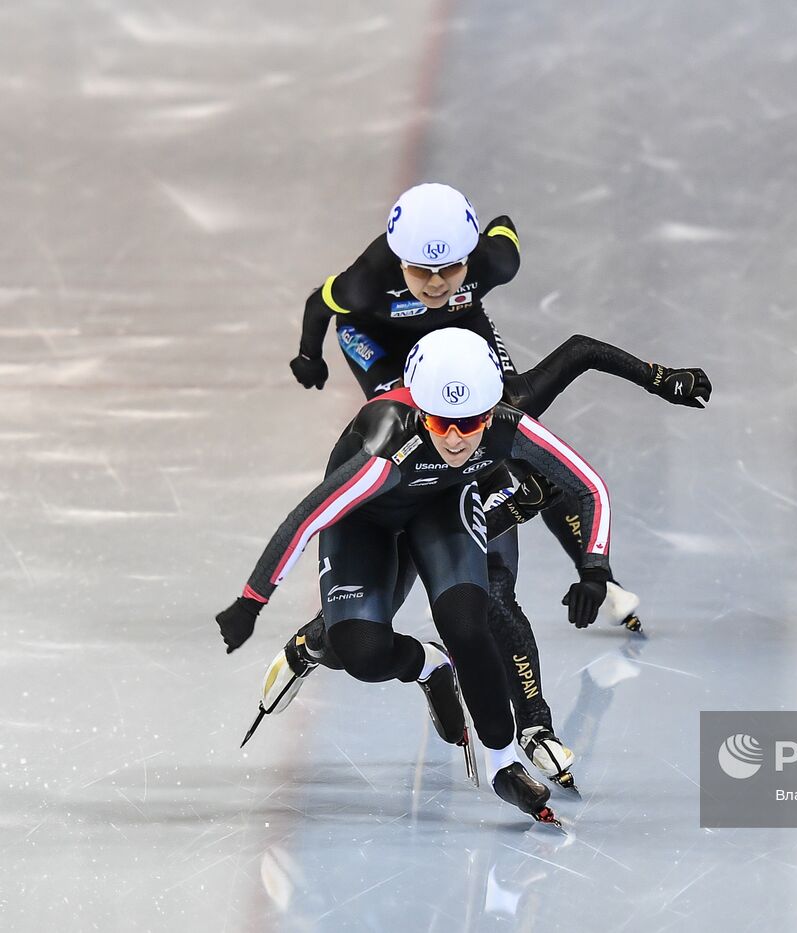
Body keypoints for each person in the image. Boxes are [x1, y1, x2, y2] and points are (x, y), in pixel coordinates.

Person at [278, 182, 712, 784]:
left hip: (467, 350)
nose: (435, 282)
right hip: (384, 350)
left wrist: (594, 568)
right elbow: (319, 307)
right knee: (406, 511)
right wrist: (311, 355)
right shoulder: (366, 285)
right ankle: (338, 631)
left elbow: (575, 362)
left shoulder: (494, 290)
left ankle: (532, 723)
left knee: (501, 570)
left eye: (450, 267)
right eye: (422, 270)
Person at [215, 328, 619, 825]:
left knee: (469, 624)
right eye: (439, 422)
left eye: (468, 423)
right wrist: (251, 603)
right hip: (363, 520)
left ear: (491, 413)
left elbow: (590, 486)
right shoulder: (385, 447)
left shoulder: (508, 428)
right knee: (362, 653)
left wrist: (594, 569)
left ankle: (503, 763)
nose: (453, 437)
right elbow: (307, 519)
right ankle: (428, 666)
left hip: (441, 510)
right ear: (419, 412)